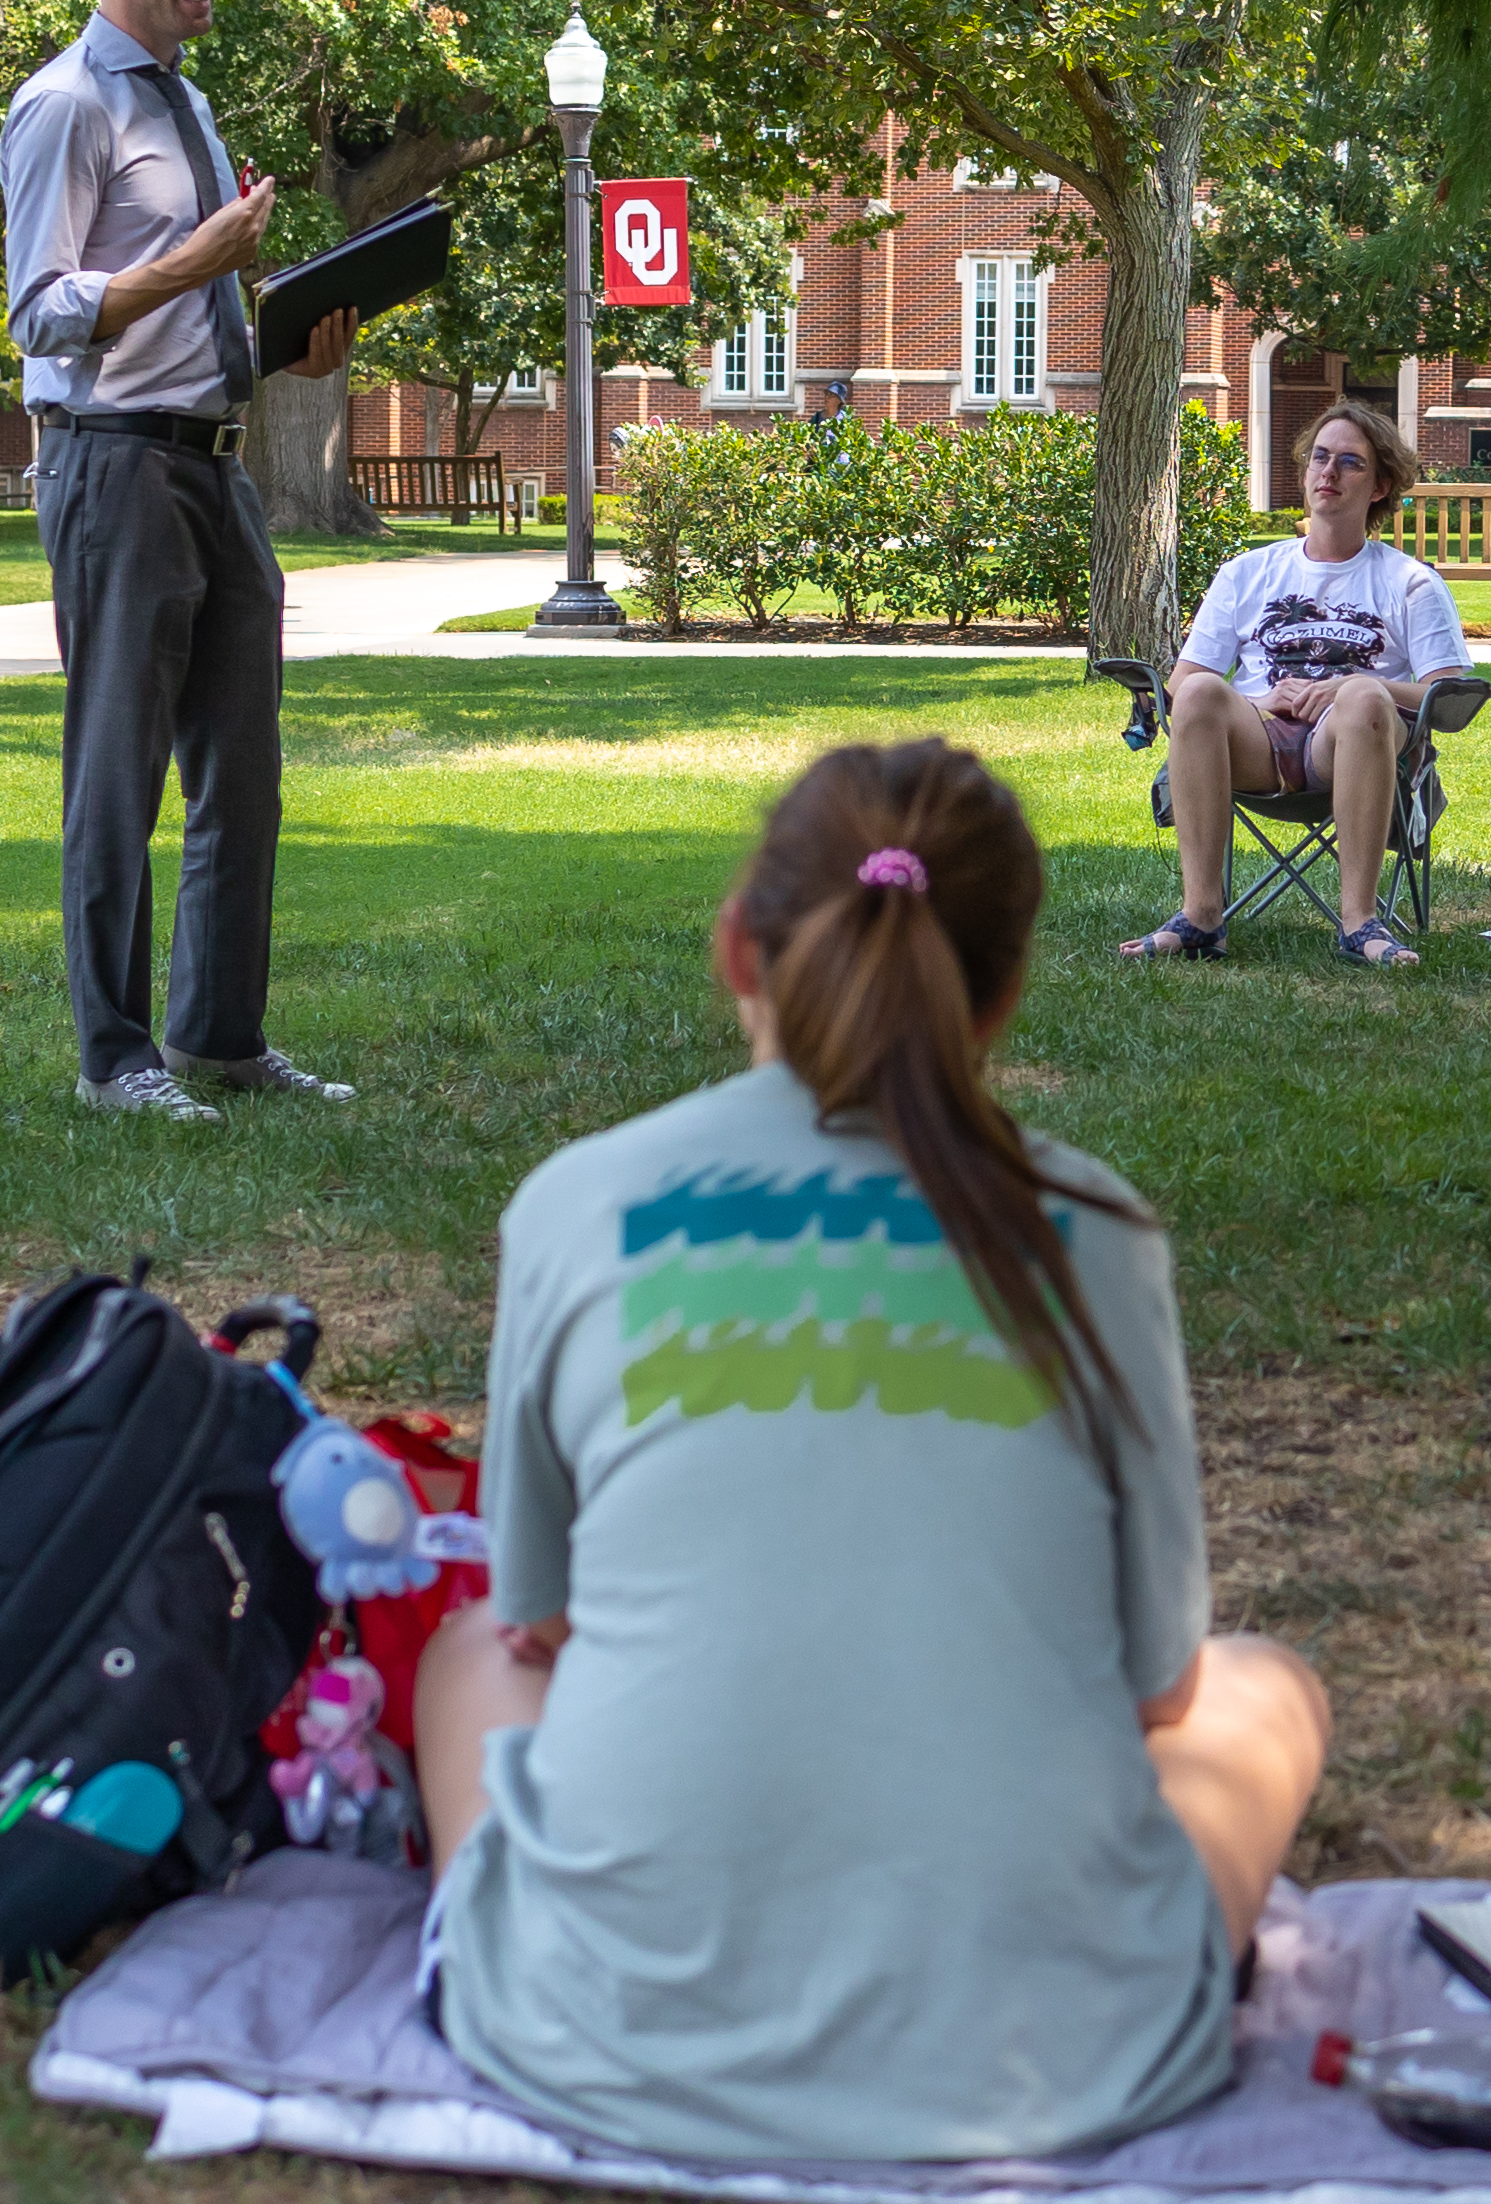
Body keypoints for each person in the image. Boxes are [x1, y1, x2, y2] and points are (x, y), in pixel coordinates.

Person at [411, 740, 1331, 2163]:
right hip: (1058, 2054)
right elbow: (1164, 1691)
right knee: (1268, 1687)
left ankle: (571, 1935)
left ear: (737, 949)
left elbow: (534, 1621)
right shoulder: (1094, 1227)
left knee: (464, 1654)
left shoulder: (578, 1200)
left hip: (600, 2039)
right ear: (1008, 993)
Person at [0, 0, 361, 1123]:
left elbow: (185, 301)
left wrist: (286, 333)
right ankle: (116, 1060)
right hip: (114, 469)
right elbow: (41, 317)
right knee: (119, 775)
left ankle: (220, 1037)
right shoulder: (66, 109)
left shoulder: (187, 107)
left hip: (216, 467)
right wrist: (188, 261)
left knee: (241, 775)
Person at [1118, 404, 1470, 971]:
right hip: (1259, 742)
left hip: (1352, 744)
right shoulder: (1247, 572)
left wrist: (1355, 684)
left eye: (1349, 462)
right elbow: (1182, 683)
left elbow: (1449, 698)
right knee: (1205, 692)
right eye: (1319, 457)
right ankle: (1202, 916)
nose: (1328, 472)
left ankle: (1359, 922)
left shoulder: (1410, 582)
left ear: (1380, 486)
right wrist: (1260, 701)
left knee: (1361, 696)